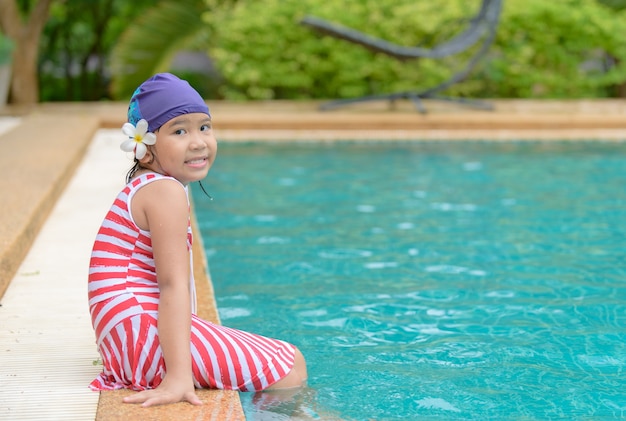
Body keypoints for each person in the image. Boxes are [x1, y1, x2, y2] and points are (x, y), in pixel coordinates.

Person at [87, 73, 307, 407]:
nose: (198, 141)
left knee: (284, 362)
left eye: (204, 127)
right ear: (145, 149)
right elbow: (172, 285)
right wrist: (178, 376)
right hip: (138, 333)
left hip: (124, 337)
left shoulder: (152, 184)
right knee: (289, 366)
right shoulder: (164, 191)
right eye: (179, 131)